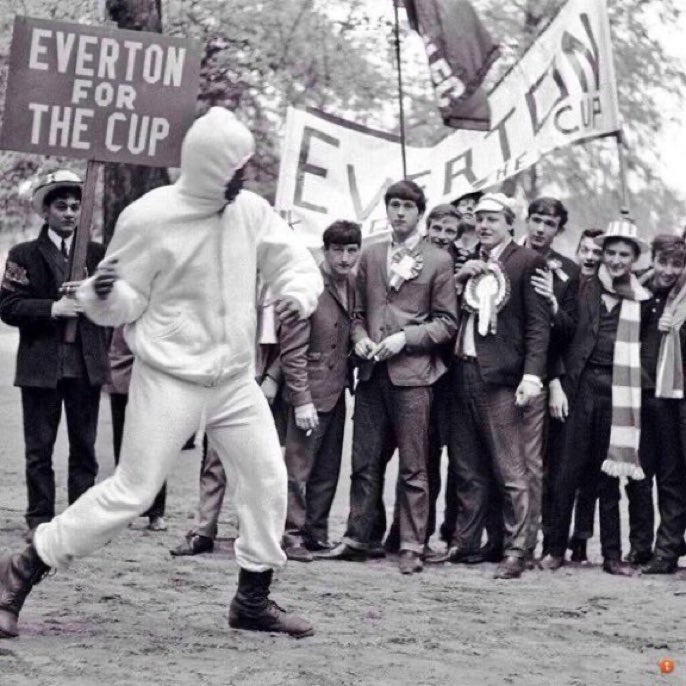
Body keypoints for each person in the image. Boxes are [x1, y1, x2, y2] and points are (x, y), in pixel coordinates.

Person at [0, 107, 323, 640]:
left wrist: (296, 294)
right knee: (132, 491)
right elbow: (124, 299)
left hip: (234, 380)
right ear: (206, 166)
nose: (242, 179)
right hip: (169, 379)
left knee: (268, 479)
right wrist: (103, 296)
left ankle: (252, 597)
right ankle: (23, 568)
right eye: (234, 169)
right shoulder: (149, 216)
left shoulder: (250, 210)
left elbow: (292, 261)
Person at [320, 179, 458, 575]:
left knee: (414, 466)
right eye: (394, 205)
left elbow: (447, 323)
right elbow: (358, 313)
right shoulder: (372, 254)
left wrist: (406, 339)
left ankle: (413, 544)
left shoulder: (438, 260)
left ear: (419, 212)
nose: (399, 213)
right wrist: (360, 338)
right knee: (365, 461)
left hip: (415, 376)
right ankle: (360, 536)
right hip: (372, 374)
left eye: (407, 207)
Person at [429, 192, 551, 579]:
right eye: (479, 219)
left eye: (492, 219)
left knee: (512, 468)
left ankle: (518, 549)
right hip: (463, 370)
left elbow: (537, 325)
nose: (483, 225)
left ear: (509, 223)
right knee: (466, 466)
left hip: (502, 377)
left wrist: (532, 375)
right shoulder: (467, 262)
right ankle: (467, 543)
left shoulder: (527, 261)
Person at [0, 170, 109, 538]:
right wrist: (52, 309)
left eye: (76, 206)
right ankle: (39, 518)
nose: (69, 213)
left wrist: (94, 295)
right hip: (41, 364)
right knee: (39, 449)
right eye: (61, 206)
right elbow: (8, 306)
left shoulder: (96, 254)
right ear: (45, 211)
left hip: (85, 364)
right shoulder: (24, 254)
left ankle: (81, 520)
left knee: (85, 448)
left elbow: (116, 305)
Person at [541, 218, 650, 576]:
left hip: (618, 393)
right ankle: (555, 548)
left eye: (624, 254)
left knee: (608, 477)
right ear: (602, 254)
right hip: (580, 386)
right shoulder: (580, 286)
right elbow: (559, 337)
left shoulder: (641, 299)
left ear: (634, 258)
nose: (616, 260)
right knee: (566, 471)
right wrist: (556, 382)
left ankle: (612, 556)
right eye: (611, 252)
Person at [280, 220, 361, 562]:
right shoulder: (308, 286)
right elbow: (292, 350)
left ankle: (316, 531)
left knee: (328, 468)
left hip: (337, 389)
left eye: (351, 250)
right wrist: (301, 400)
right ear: (325, 250)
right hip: (309, 392)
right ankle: (291, 535)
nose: (345, 258)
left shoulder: (354, 284)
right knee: (298, 469)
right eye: (338, 250)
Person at [515, 197, 579, 563]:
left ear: (558, 229)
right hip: (501, 369)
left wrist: (554, 304)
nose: (540, 229)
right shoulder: (504, 258)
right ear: (527, 220)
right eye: (536, 220)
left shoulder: (567, 271)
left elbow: (569, 332)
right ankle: (493, 537)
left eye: (549, 224)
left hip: (538, 375)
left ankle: (526, 540)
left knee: (532, 461)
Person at [626, 235, 686, 573]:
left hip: (670, 399)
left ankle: (666, 551)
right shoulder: (639, 290)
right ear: (652, 260)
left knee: (670, 476)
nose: (668, 270)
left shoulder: (681, 299)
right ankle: (639, 546)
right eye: (663, 262)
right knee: (637, 474)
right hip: (637, 394)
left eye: (676, 265)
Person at [108, 325, 167, 531]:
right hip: (122, 372)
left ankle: (155, 511)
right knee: (123, 445)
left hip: (156, 376)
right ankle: (126, 509)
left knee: (156, 446)